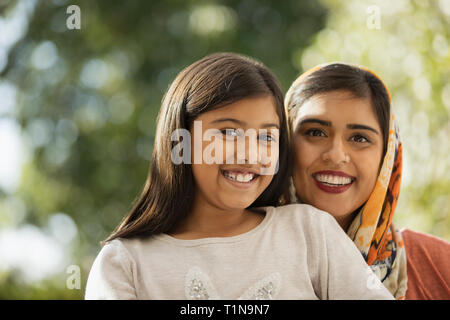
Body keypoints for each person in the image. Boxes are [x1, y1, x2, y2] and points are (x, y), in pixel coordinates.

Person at [85, 53, 393, 300]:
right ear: (181, 141)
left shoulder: (309, 231)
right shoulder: (124, 264)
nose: (250, 155)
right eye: (229, 132)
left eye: (267, 137)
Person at [284, 62, 450, 300]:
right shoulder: (237, 256)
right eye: (315, 132)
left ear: (387, 156)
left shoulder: (439, 267)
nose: (336, 155)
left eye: (359, 138)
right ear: (284, 142)